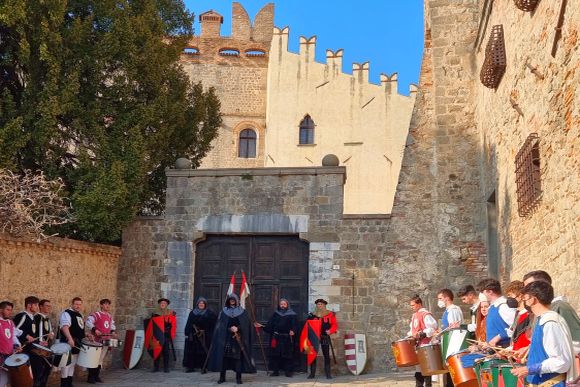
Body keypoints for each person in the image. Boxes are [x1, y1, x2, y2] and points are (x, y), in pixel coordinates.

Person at [511, 281, 577, 385]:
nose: (524, 301)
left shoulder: (550, 322)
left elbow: (561, 362)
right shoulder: (543, 320)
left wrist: (530, 369)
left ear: (532, 299)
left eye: (525, 298)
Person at [523, 270, 580, 355]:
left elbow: (576, 343)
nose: (526, 290)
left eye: (529, 286)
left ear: (542, 286)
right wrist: (529, 349)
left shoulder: (561, 307)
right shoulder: (536, 311)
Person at [206, 294, 255, 385]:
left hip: (238, 338)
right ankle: (222, 377)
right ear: (228, 300)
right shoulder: (223, 311)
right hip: (225, 338)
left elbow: (246, 324)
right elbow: (220, 325)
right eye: (230, 300)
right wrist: (229, 328)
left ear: (237, 300)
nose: (232, 301)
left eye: (233, 299)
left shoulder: (243, 312)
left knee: (238, 358)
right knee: (224, 358)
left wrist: (238, 328)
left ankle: (238, 378)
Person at [255, 298, 298, 377]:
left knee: (288, 355)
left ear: (287, 305)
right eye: (281, 304)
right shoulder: (276, 313)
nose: (282, 306)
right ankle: (275, 371)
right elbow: (270, 325)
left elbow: (295, 325)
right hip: (276, 337)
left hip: (287, 338)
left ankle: (288, 372)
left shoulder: (292, 314)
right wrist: (262, 326)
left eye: (284, 304)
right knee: (275, 355)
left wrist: (293, 331)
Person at [14, 296, 47, 387]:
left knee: (39, 369)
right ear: (29, 305)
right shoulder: (22, 316)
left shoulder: (32, 317)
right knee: (29, 373)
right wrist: (26, 336)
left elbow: (33, 335)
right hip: (23, 350)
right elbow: (14, 329)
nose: (37, 307)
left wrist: (39, 342)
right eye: (36, 305)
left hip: (32, 348)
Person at [408, 295, 437, 387]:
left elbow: (433, 328)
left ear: (419, 304)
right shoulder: (414, 316)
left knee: (426, 367)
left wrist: (422, 334)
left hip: (426, 344)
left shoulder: (425, 314)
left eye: (413, 305)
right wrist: (410, 336)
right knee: (418, 368)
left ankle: (428, 385)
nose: (411, 307)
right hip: (418, 344)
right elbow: (412, 329)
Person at [477, 278, 516, 348]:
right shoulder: (493, 307)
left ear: (490, 292)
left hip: (503, 348)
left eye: (483, 292)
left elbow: (516, 327)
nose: (482, 295)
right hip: (492, 348)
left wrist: (499, 337)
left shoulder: (503, 306)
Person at [85, 299, 117, 383]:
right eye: (106, 304)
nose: (107, 306)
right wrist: (95, 329)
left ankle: (96, 376)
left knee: (100, 359)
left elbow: (112, 326)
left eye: (109, 304)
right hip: (96, 340)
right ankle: (90, 377)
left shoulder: (109, 316)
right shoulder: (96, 314)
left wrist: (113, 332)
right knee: (93, 359)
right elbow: (88, 322)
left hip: (106, 341)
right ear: (101, 305)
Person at [305, 298, 338, 380]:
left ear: (324, 305)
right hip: (313, 337)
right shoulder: (312, 315)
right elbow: (307, 325)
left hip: (324, 337)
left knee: (326, 354)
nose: (319, 306)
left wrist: (330, 331)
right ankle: (312, 374)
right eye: (318, 304)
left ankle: (328, 374)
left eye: (321, 304)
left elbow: (334, 325)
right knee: (312, 354)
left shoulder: (330, 314)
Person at [183, 297, 217, 373]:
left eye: (203, 303)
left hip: (204, 335)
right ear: (197, 304)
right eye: (200, 303)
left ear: (205, 304)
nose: (201, 304)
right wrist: (187, 332)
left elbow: (213, 324)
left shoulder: (209, 313)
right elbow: (189, 323)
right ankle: (190, 367)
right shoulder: (192, 313)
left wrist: (207, 331)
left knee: (203, 352)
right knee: (191, 351)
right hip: (193, 335)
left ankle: (203, 367)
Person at [59, 297, 86, 387]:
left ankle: (69, 382)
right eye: (76, 304)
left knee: (73, 363)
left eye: (79, 304)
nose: (78, 306)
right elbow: (64, 327)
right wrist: (70, 339)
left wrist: (87, 335)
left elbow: (80, 329)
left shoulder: (80, 315)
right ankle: (64, 384)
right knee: (66, 363)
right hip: (68, 342)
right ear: (72, 304)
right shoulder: (67, 313)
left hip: (77, 342)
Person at [150, 298, 176, 373]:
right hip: (157, 334)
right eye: (161, 303)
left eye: (164, 303)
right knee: (156, 351)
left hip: (166, 334)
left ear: (166, 305)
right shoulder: (155, 313)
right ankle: (156, 367)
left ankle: (166, 367)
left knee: (166, 351)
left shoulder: (171, 313)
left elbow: (173, 324)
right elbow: (151, 325)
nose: (163, 304)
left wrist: (172, 334)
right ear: (159, 304)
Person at [504, 280, 531, 351]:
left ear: (521, 296)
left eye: (510, 295)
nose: (509, 298)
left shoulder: (529, 315)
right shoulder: (518, 313)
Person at [34, 299, 55, 387]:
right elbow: (33, 333)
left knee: (47, 368)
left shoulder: (47, 318)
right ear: (40, 306)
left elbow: (50, 332)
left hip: (47, 348)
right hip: (38, 349)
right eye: (47, 306)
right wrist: (39, 342)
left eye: (49, 306)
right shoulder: (36, 318)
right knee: (39, 370)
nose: (48, 308)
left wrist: (51, 335)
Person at [0, 301, 22, 387]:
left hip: (8, 356)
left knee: (5, 379)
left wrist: (17, 346)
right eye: (7, 310)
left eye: (11, 310)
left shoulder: (10, 323)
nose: (10, 312)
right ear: (1, 310)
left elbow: (12, 337)